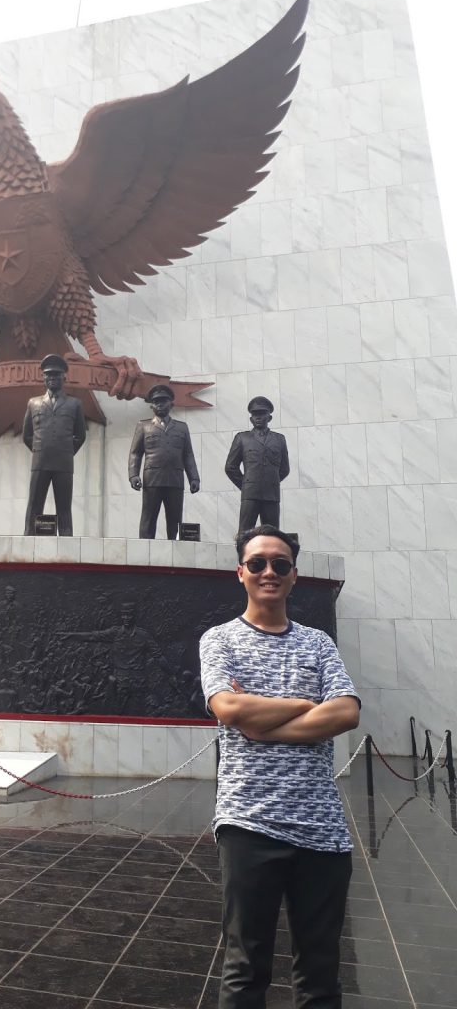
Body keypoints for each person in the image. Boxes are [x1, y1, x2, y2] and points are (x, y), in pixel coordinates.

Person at [199, 525, 361, 1008]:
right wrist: (306, 704)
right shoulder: (219, 640)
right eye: (258, 563)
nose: (269, 571)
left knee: (321, 974)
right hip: (249, 824)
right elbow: (228, 707)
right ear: (241, 573)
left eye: (280, 564)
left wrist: (262, 725)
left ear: (293, 575)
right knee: (246, 969)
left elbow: (346, 712)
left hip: (322, 831)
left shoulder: (318, 643)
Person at [23, 354, 86, 536]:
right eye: (48, 375)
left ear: (64, 377)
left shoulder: (75, 404)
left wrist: (65, 451)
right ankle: (29, 538)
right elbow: (27, 435)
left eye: (56, 375)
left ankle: (67, 540)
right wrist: (40, 450)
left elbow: (80, 435)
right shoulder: (33, 403)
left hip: (63, 463)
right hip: (40, 462)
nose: (52, 378)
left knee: (64, 507)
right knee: (34, 505)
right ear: (43, 377)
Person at [128, 383, 200, 539]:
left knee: (175, 520)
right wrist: (133, 475)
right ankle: (145, 550)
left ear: (171, 404)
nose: (160, 404)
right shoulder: (143, 426)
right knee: (148, 519)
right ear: (151, 406)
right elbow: (135, 453)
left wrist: (194, 478)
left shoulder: (182, 428)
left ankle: (175, 551)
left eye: (163, 401)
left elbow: (188, 455)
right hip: (152, 479)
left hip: (175, 479)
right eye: (156, 402)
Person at [225, 396, 289, 531]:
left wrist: (270, 482)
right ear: (251, 419)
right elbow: (230, 467)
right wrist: (246, 485)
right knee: (245, 533)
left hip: (271, 494)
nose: (258, 417)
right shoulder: (242, 438)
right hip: (250, 494)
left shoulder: (279, 439)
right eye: (255, 414)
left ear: (269, 418)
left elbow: (285, 469)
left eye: (262, 414)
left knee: (272, 534)